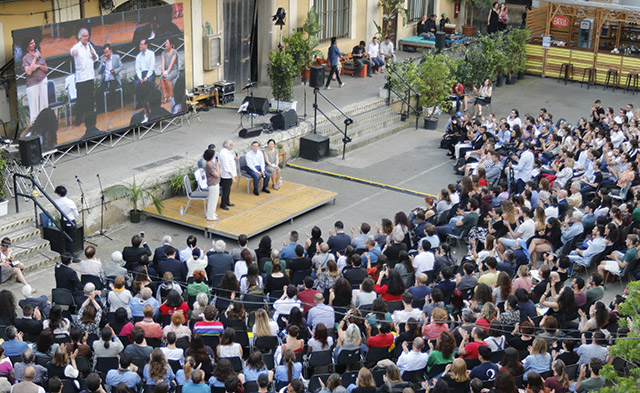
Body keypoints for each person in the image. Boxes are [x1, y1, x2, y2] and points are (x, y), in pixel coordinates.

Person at [70, 27, 97, 126]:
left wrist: (94, 55)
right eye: (84, 36)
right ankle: (78, 119)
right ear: (80, 37)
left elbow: (96, 58)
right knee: (80, 100)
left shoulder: (90, 46)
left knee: (90, 100)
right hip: (81, 79)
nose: (86, 38)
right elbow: (72, 51)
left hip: (90, 77)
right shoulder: (77, 47)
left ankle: (90, 118)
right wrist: (74, 53)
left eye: (87, 36)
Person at [22, 37, 49, 124]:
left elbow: (46, 69)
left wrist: (38, 66)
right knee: (34, 109)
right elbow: (29, 72)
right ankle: (36, 128)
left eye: (33, 42)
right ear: (27, 46)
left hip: (43, 81)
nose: (33, 44)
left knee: (44, 106)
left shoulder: (39, 54)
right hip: (32, 84)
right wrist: (34, 59)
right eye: (31, 43)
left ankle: (45, 125)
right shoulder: (25, 58)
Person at [97, 43, 123, 113]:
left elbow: (121, 66)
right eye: (105, 52)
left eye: (107, 52)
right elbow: (98, 72)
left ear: (110, 50)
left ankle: (112, 106)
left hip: (113, 78)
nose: (106, 54)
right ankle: (100, 108)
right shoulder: (103, 59)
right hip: (105, 79)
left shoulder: (116, 57)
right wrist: (103, 64)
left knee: (112, 88)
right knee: (99, 91)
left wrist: (115, 71)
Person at [54, 186, 79, 256]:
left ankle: (67, 253)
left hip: (62, 221)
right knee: (71, 238)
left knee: (64, 237)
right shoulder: (70, 202)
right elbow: (76, 213)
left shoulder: (56, 202)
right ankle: (71, 253)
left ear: (59, 194)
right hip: (70, 219)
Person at [134, 39, 156, 107]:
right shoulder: (138, 57)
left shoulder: (151, 54)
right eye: (140, 44)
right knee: (137, 84)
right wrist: (140, 77)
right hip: (141, 74)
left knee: (148, 83)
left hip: (149, 73)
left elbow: (151, 67)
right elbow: (137, 69)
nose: (140, 46)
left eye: (142, 44)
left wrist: (147, 76)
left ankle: (149, 101)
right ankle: (141, 102)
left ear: (146, 45)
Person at [219, 139, 237, 210]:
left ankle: (227, 201)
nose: (232, 146)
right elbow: (226, 165)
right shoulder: (223, 153)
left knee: (228, 189)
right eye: (231, 145)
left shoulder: (228, 152)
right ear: (227, 145)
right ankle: (223, 204)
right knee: (225, 190)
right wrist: (232, 176)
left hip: (229, 174)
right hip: (226, 175)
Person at [203, 148, 220, 221]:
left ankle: (212, 213)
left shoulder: (211, 163)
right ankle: (210, 216)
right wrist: (218, 167)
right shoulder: (209, 165)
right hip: (212, 183)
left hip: (215, 183)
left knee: (215, 199)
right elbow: (217, 175)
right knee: (212, 200)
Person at [160, 38, 179, 104]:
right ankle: (165, 97)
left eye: (167, 43)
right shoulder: (163, 53)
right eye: (165, 43)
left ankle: (170, 96)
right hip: (165, 71)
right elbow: (163, 63)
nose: (165, 45)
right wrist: (163, 72)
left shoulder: (174, 52)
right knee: (162, 79)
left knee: (167, 79)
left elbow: (171, 64)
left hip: (173, 70)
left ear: (171, 45)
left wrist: (167, 73)